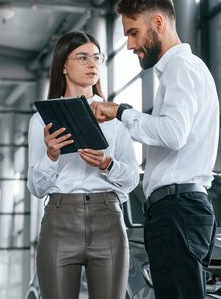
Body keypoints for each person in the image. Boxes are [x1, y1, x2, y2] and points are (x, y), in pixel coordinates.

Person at [90, 0, 220, 299]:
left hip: (177, 210)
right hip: (179, 210)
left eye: (133, 33)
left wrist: (121, 112)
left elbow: (173, 134)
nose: (131, 45)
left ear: (158, 23)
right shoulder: (182, 71)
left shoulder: (180, 67)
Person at [27, 30, 139, 299]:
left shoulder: (114, 114)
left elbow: (132, 179)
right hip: (59, 220)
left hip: (109, 219)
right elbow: (36, 187)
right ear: (64, 66)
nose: (93, 64)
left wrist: (108, 164)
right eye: (83, 57)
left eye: (97, 58)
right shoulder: (42, 120)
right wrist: (51, 156)